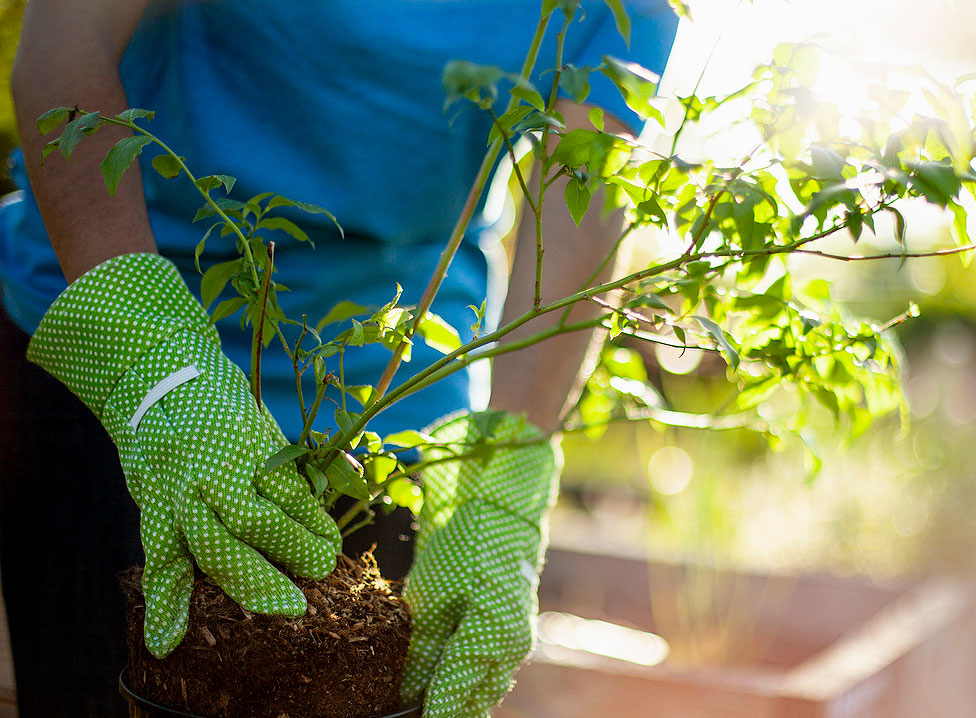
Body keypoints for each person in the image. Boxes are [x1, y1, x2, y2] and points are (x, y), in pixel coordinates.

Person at [0, 1, 677, 716]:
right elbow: (63, 42)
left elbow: (584, 185)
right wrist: (154, 365)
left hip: (391, 400)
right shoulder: (133, 353)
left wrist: (500, 476)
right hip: (110, 340)